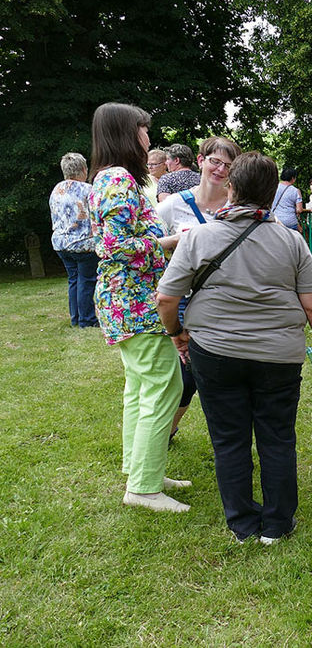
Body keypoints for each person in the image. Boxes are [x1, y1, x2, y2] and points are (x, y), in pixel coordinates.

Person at [156, 151, 312, 544]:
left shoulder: (199, 238)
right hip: (279, 357)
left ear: (231, 188)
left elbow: (166, 299)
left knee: (229, 439)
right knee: (277, 436)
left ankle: (241, 523)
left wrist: (177, 333)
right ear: (272, 195)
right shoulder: (292, 242)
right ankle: (277, 524)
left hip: (215, 355)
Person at [87, 102, 188, 513]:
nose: (149, 139)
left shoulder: (112, 177)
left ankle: (141, 469)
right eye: (144, 131)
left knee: (140, 387)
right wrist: (170, 242)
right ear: (127, 134)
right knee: (167, 384)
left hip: (127, 299)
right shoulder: (117, 180)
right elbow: (111, 247)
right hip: (134, 301)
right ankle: (143, 488)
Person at [156, 136, 242, 440]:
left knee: (224, 371)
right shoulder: (173, 206)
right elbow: (151, 249)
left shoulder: (238, 206)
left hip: (229, 299)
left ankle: (227, 436)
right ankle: (165, 431)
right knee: (189, 373)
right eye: (215, 161)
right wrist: (181, 241)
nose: (220, 170)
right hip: (184, 300)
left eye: (228, 166)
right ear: (201, 161)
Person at [49, 152, 99, 328]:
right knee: (86, 279)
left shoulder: (57, 189)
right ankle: (87, 320)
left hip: (61, 243)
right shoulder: (88, 190)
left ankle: (76, 318)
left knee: (74, 279)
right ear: (84, 169)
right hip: (83, 243)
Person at [271, 167, 303, 232]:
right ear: (293, 178)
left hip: (275, 220)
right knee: (291, 241)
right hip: (290, 222)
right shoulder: (296, 191)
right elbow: (299, 210)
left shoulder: (273, 187)